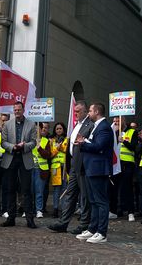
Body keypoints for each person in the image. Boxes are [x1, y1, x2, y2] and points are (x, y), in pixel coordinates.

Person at [48, 101, 94, 234]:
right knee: (70, 194)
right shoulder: (75, 125)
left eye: (78, 111)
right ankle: (63, 223)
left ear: (85, 111)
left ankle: (84, 224)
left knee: (84, 196)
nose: (75, 113)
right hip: (74, 165)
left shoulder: (89, 125)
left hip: (83, 166)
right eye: (74, 111)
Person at [76, 102, 114, 244]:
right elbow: (94, 144)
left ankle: (102, 232)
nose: (88, 113)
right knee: (93, 201)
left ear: (97, 111)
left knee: (101, 201)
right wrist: (84, 142)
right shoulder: (97, 126)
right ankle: (93, 229)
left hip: (98, 169)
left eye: (90, 111)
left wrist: (83, 143)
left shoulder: (104, 127)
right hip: (91, 168)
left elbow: (99, 146)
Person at [0, 101, 38, 229]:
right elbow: (3, 142)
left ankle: (29, 219)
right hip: (10, 158)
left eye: (19, 110)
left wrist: (24, 146)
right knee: (10, 189)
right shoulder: (7, 125)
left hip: (24, 159)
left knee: (26, 190)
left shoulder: (31, 124)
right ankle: (11, 218)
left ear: (23, 110)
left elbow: (33, 142)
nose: (17, 112)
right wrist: (13, 147)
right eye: (15, 110)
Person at [118, 118, 138, 222]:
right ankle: (117, 209)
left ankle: (130, 212)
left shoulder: (132, 132)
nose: (117, 123)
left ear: (124, 120)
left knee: (128, 187)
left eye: (119, 120)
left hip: (127, 163)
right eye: (115, 121)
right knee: (116, 188)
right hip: (116, 164)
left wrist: (124, 141)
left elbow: (134, 147)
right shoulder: (113, 131)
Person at [49, 122, 69, 219]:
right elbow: (51, 154)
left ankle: (64, 210)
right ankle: (55, 209)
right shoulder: (51, 140)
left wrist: (60, 147)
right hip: (55, 168)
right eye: (57, 129)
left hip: (64, 167)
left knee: (64, 189)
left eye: (60, 128)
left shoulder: (67, 139)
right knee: (56, 190)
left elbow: (68, 150)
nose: (59, 130)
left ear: (64, 129)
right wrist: (57, 149)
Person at [32, 122, 52, 218]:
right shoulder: (29, 140)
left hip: (41, 170)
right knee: (29, 190)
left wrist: (39, 148)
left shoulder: (45, 141)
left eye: (38, 129)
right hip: (29, 169)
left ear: (41, 130)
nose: (36, 131)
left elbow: (48, 155)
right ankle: (28, 209)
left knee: (39, 191)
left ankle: (39, 210)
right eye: (34, 129)